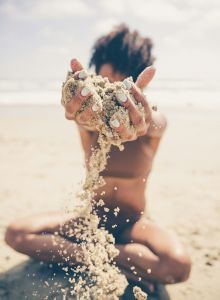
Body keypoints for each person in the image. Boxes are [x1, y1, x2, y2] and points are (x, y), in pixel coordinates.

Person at [4, 24, 191, 292]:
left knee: (178, 264)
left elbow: (153, 122)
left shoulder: (153, 123)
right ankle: (100, 256)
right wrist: (81, 111)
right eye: (107, 87)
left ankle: (99, 253)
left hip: (132, 223)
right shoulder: (89, 121)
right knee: (16, 233)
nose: (114, 96)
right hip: (89, 219)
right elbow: (87, 120)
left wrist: (140, 118)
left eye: (122, 88)